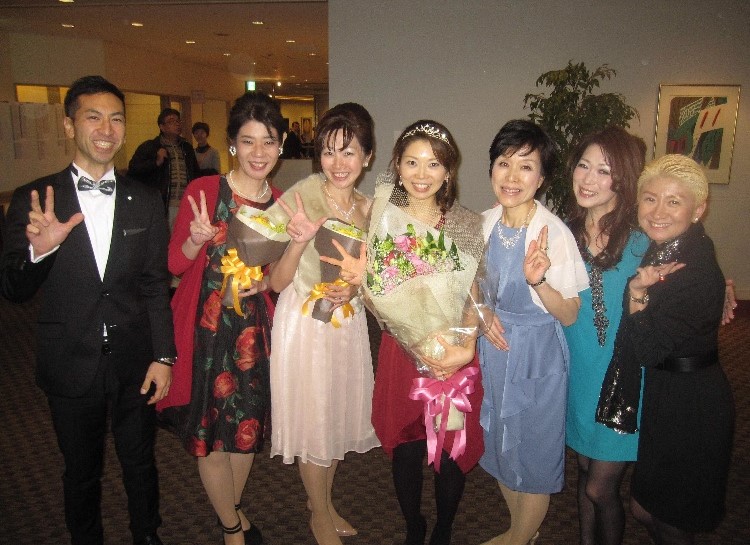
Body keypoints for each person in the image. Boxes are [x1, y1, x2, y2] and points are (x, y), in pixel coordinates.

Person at [0, 75, 175, 545]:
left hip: (135, 358)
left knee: (140, 460)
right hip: (70, 358)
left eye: (116, 119)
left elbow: (155, 284)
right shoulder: (36, 199)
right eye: (93, 117)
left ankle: (147, 535)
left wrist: (164, 355)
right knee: (80, 470)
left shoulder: (145, 199)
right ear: (68, 125)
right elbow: (12, 289)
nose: (106, 129)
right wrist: (39, 252)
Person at [157, 91, 284, 545]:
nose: (258, 152)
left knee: (246, 431)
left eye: (268, 141)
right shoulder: (205, 192)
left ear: (281, 145)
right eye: (247, 141)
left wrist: (268, 283)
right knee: (210, 433)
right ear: (232, 144)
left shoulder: (281, 204)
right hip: (207, 333)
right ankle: (231, 526)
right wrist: (195, 240)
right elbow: (174, 264)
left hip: (254, 334)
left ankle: (231, 507)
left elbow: (280, 278)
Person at [596, 154, 735, 545]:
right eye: (650, 199)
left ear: (698, 209)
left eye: (674, 201)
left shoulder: (693, 269)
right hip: (666, 395)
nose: (658, 212)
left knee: (670, 520)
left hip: (692, 406)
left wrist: (637, 295)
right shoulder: (669, 249)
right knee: (646, 508)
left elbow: (647, 350)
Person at [266, 103, 380, 545]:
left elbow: (374, 280)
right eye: (329, 151)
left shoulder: (370, 210)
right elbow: (276, 281)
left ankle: (326, 504)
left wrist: (355, 289)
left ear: (367, 156)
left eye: (349, 152)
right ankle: (317, 514)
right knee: (314, 420)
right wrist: (298, 243)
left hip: (346, 325)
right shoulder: (303, 195)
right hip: (305, 324)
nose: (338, 163)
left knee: (334, 417)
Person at [368, 121, 486, 545]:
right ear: (397, 167)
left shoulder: (465, 224)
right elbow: (372, 291)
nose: (422, 174)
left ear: (448, 171)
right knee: (407, 447)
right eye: (412, 162)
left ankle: (444, 528)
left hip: (453, 350)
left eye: (433, 164)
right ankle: (413, 526)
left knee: (452, 449)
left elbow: (475, 295)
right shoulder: (383, 219)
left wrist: (466, 346)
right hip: (402, 352)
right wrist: (412, 338)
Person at [478, 120, 588, 545]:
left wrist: (539, 281)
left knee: (536, 454)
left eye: (526, 167)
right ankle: (520, 529)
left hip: (537, 356)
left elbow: (570, 315)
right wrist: (482, 313)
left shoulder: (553, 233)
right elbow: (470, 286)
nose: (512, 176)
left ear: (541, 178)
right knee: (501, 445)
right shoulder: (483, 222)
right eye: (503, 163)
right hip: (495, 350)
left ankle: (517, 539)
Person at [563, 127, 649, 545]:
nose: (588, 179)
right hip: (577, 370)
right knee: (583, 471)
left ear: (623, 179)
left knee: (601, 487)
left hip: (623, 378)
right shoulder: (561, 234)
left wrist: (718, 287)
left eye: (604, 170)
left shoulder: (643, 240)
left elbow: (688, 260)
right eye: (584, 165)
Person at [128, 107, 200, 223]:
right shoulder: (150, 146)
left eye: (178, 121)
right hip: (162, 204)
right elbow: (133, 169)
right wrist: (155, 162)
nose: (177, 124)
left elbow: (195, 173)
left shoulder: (187, 148)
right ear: (162, 127)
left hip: (186, 203)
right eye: (171, 121)